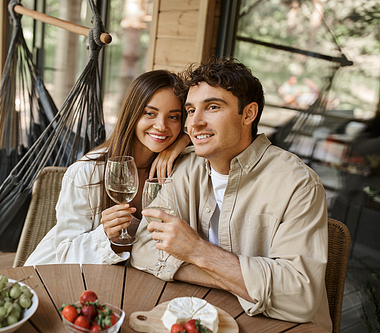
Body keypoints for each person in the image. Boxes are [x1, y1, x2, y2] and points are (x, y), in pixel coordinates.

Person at [131, 57, 332, 331]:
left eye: (212, 107)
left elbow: (298, 297)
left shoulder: (298, 184)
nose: (195, 123)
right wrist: (233, 279)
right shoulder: (185, 169)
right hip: (203, 315)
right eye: (190, 111)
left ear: (248, 114)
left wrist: (196, 251)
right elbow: (143, 249)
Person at [24, 69, 191, 266]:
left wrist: (184, 140)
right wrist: (104, 235)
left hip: (123, 282)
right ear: (133, 114)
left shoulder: (178, 168)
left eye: (173, 117)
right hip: (54, 276)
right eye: (149, 113)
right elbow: (65, 253)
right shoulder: (87, 173)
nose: (161, 126)